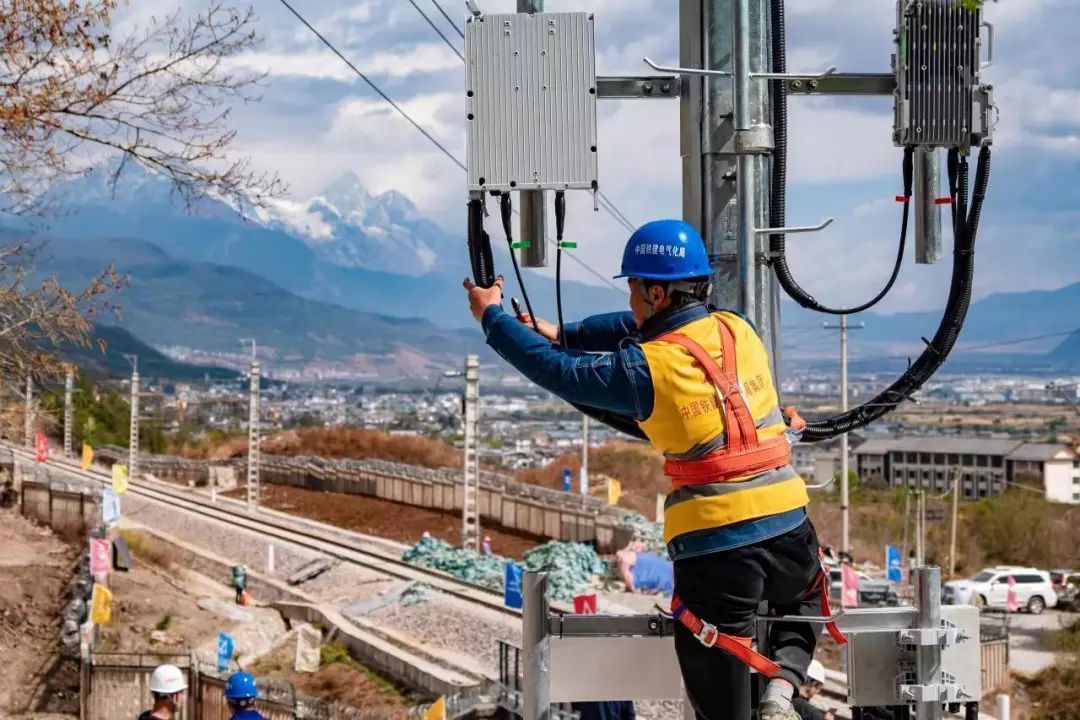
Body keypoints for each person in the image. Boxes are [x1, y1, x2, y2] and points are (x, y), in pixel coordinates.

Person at [463, 220, 836, 720]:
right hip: (791, 524)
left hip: (717, 544)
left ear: (656, 292)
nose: (632, 301)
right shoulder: (738, 329)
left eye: (635, 289)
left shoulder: (646, 369)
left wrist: (493, 318)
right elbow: (634, 325)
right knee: (806, 598)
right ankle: (785, 684)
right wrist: (564, 332)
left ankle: (758, 703)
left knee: (719, 691)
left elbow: (555, 371)